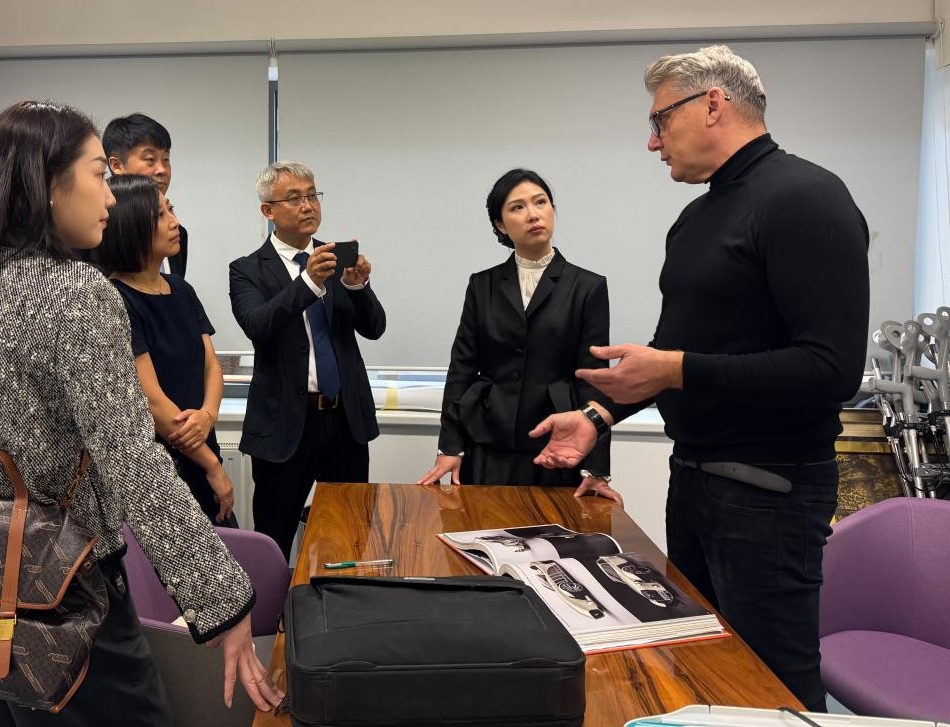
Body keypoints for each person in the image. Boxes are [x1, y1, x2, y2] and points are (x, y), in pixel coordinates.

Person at [0, 101, 282, 727]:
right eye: (100, 174)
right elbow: (133, 462)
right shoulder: (76, 294)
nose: (112, 195)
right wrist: (221, 599)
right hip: (65, 588)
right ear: (49, 185)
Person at [530, 44, 869, 711]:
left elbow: (831, 368)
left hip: (769, 494)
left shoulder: (805, 198)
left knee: (770, 687)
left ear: (713, 103)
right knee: (703, 672)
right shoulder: (696, 218)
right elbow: (676, 354)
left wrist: (675, 368)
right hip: (694, 483)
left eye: (660, 120)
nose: (652, 141)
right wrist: (598, 415)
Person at [417, 169, 621, 505]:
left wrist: (596, 467)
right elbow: (462, 368)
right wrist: (450, 446)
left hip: (556, 445)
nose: (533, 214)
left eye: (540, 202)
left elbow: (594, 379)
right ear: (500, 225)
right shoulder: (482, 285)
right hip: (486, 440)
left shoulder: (588, 287)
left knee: (552, 534)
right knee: (478, 529)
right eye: (517, 207)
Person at [228, 161, 386, 558]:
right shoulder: (247, 269)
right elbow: (258, 325)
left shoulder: (336, 260)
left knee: (350, 535)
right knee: (275, 540)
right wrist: (309, 282)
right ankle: (274, 602)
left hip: (344, 421)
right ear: (268, 211)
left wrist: (357, 286)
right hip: (284, 426)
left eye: (313, 195)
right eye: (294, 198)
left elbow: (375, 328)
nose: (307, 205)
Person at [95, 173, 237, 526]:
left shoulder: (181, 289)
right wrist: (212, 465)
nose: (175, 223)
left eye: (171, 210)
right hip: (165, 464)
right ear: (130, 225)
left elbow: (211, 366)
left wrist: (207, 416)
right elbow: (153, 401)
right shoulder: (115, 299)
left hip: (202, 442)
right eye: (161, 215)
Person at [103, 113, 188, 276]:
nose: (162, 170)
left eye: (166, 159)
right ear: (117, 165)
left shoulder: (178, 235)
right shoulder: (97, 233)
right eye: (150, 159)